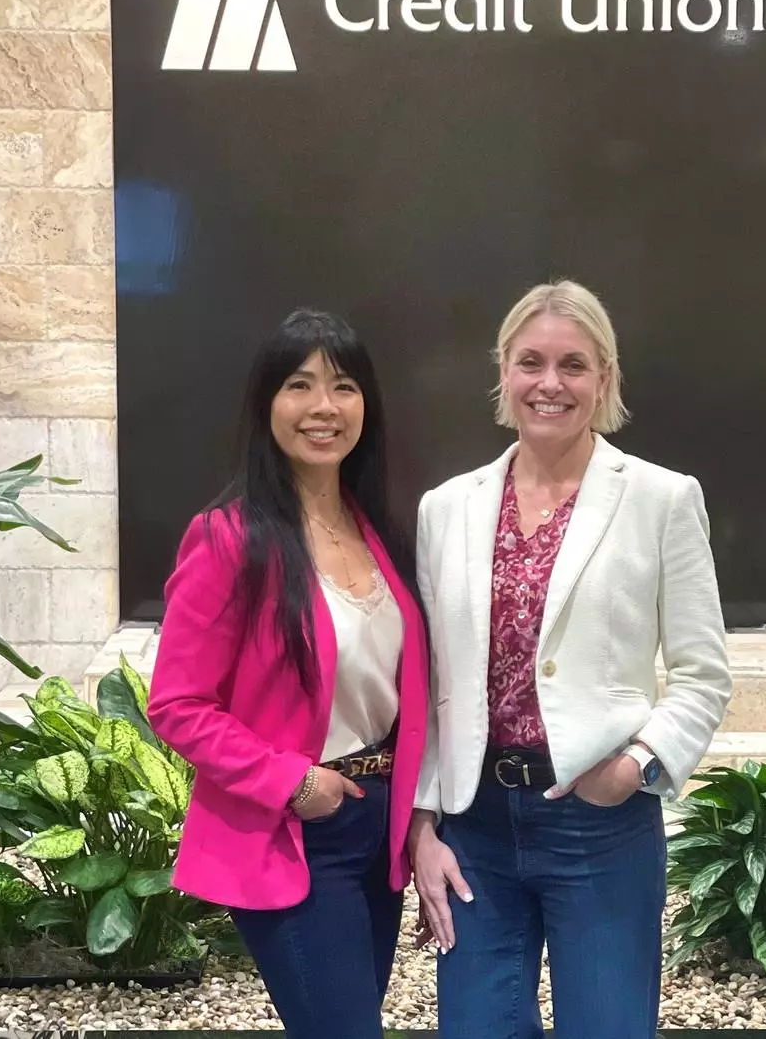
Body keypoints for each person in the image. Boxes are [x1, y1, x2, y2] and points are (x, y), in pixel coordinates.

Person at [408, 280, 732, 1039]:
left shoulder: (661, 498)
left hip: (598, 823)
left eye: (573, 365)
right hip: (474, 827)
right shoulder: (446, 507)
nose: (549, 383)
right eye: (530, 362)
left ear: (604, 379)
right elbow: (432, 686)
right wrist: (423, 828)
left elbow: (703, 670)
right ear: (504, 372)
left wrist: (634, 768)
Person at [148, 309, 429, 1039]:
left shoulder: (382, 533)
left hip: (377, 823)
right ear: (266, 403)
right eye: (299, 385)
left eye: (342, 385)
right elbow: (177, 702)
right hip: (297, 826)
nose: (323, 407)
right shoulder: (228, 539)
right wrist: (294, 782)